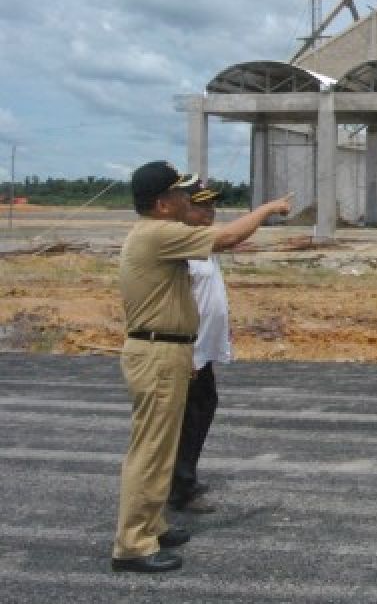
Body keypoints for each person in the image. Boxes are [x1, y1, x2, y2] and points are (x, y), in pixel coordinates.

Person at [112, 161, 291, 573]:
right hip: (156, 352)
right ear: (162, 204)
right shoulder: (158, 233)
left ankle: (152, 525)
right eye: (178, 194)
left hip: (168, 350)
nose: (185, 199)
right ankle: (132, 544)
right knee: (151, 451)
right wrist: (266, 209)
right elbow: (227, 237)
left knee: (163, 448)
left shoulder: (157, 233)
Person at [168, 180, 229, 515]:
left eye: (211, 206)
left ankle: (182, 478)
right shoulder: (178, 246)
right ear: (180, 207)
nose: (209, 212)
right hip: (188, 351)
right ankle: (179, 486)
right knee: (186, 417)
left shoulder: (200, 244)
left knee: (199, 410)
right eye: (200, 206)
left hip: (200, 351)